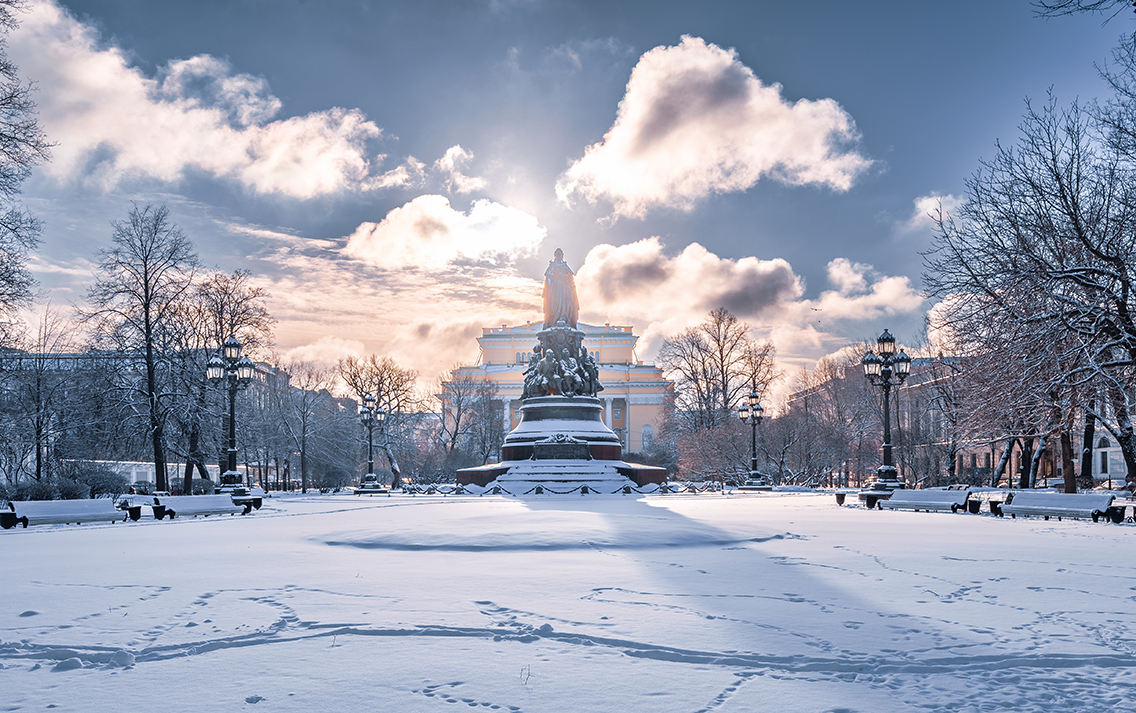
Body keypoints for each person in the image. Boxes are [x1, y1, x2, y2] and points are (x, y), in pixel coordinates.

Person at [542, 248, 579, 329]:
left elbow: (570, 277)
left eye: (560, 255)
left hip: (564, 289)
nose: (559, 256)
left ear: (562, 256)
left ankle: (564, 317)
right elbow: (548, 276)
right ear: (555, 256)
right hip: (555, 290)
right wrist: (554, 279)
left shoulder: (565, 266)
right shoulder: (552, 266)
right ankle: (554, 319)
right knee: (554, 303)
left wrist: (565, 278)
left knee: (565, 303)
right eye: (557, 254)